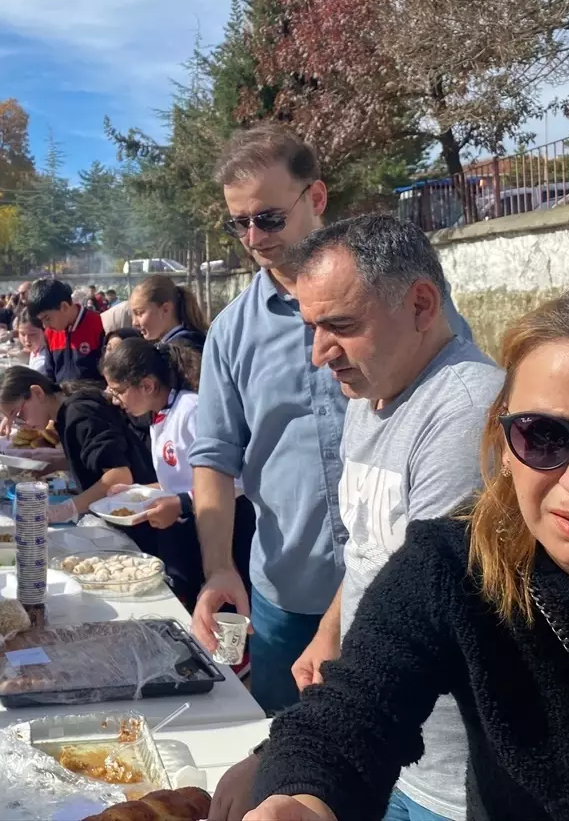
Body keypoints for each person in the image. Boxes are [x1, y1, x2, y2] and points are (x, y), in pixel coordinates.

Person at [245, 276, 569, 821]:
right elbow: (352, 712)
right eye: (543, 436)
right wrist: (299, 801)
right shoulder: (453, 565)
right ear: (503, 438)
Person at [212, 215, 503, 821]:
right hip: (387, 755)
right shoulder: (371, 396)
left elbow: (418, 615)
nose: (320, 354)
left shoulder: (464, 416)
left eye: (341, 326)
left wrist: (282, 749)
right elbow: (377, 546)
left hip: (445, 783)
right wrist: (329, 629)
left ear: (421, 304)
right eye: (311, 326)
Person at [190, 124, 471, 715]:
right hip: (289, 593)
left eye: (267, 218)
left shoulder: (396, 301)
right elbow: (214, 457)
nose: (252, 237)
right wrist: (218, 568)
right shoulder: (231, 332)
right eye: (237, 223)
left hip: (405, 586)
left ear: (315, 198)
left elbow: (449, 410)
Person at [100, 338, 257, 611]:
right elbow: (179, 477)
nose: (115, 400)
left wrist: (182, 503)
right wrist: (137, 492)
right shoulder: (159, 414)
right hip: (185, 536)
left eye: (118, 391)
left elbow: (237, 481)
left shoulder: (192, 411)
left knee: (222, 615)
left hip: (223, 536)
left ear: (147, 385)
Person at [0, 366, 156, 528]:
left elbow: (119, 476)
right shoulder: (66, 410)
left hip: (141, 520)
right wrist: (54, 464)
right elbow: (89, 456)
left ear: (37, 392)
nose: (22, 425)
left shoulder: (80, 414)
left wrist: (65, 509)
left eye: (19, 415)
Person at [27, 277, 105, 383]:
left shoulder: (98, 324)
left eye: (47, 318)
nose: (45, 326)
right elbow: (50, 374)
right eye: (41, 321)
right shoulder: (50, 333)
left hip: (92, 397)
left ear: (64, 307)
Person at [130, 274, 208, 350]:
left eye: (140, 313)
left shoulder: (182, 351)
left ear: (165, 309)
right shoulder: (195, 340)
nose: (134, 323)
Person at [15, 306, 51, 376]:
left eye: (32, 334)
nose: (27, 339)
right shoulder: (37, 349)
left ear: (45, 331)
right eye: (22, 334)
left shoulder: (43, 363)